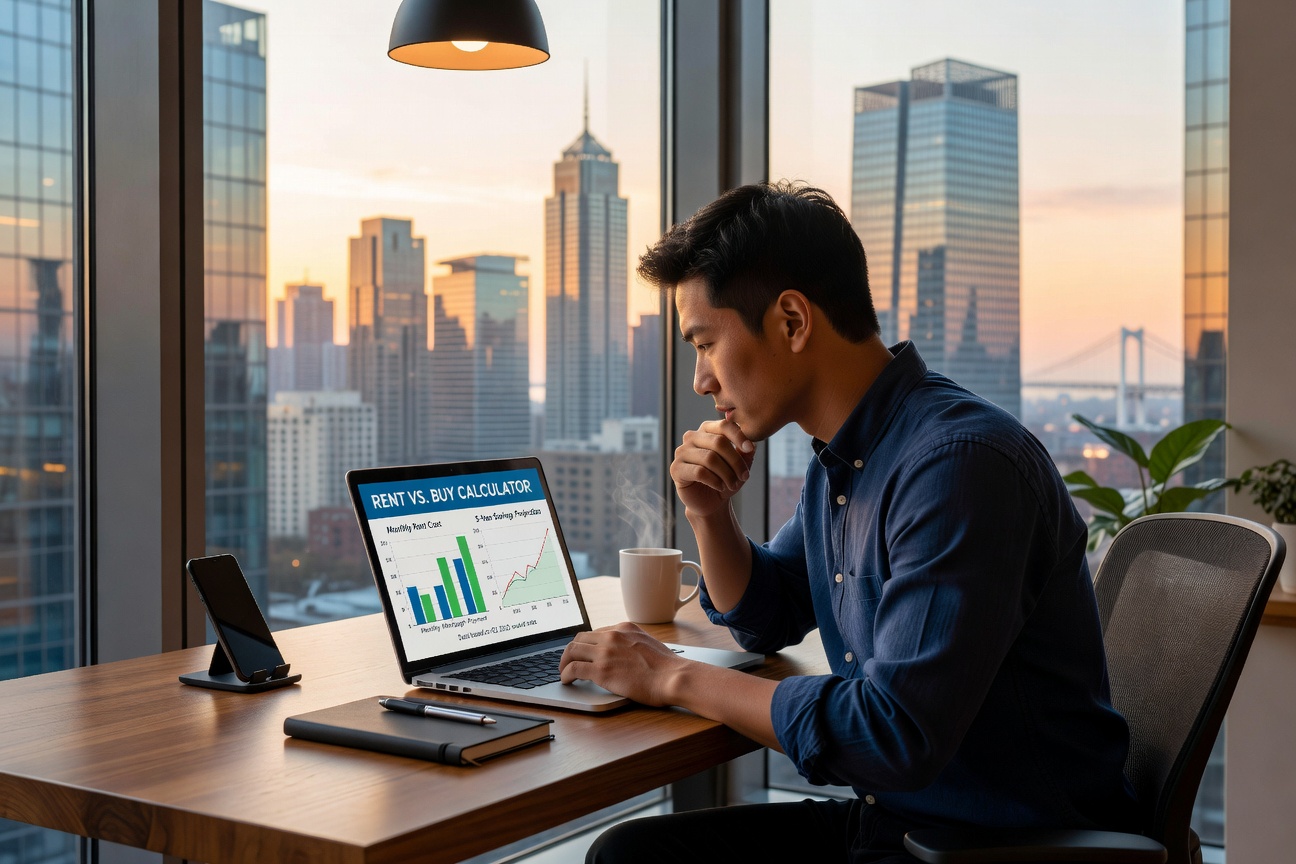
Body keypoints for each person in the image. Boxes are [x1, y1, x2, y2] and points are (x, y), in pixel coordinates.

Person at [559, 181, 1136, 863]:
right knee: (632, 854)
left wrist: (673, 676)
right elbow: (767, 614)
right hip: (900, 824)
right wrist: (709, 514)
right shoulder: (850, 457)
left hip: (992, 846)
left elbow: (893, 737)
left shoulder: (958, 467)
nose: (700, 380)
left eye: (705, 343)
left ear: (793, 322)